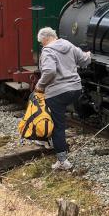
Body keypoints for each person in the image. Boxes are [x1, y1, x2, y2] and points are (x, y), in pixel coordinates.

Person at [34, 27, 91, 171]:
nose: (42, 45)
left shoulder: (47, 51)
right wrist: (88, 54)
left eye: (41, 43)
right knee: (56, 118)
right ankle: (46, 141)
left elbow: (49, 71)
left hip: (57, 92)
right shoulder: (68, 44)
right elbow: (84, 60)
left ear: (45, 39)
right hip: (75, 89)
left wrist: (40, 86)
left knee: (57, 126)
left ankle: (62, 161)